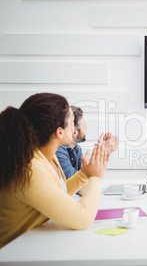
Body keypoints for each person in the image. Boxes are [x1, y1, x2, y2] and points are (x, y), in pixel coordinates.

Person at [0, 93, 108, 248]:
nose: (76, 126)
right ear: (60, 132)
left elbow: (56, 192)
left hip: (27, 244)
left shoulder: (45, 155)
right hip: (10, 253)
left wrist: (84, 174)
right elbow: (82, 219)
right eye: (72, 121)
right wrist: (96, 178)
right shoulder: (30, 168)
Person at [56, 106, 118, 195]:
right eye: (84, 125)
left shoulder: (76, 149)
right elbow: (80, 189)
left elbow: (87, 182)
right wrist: (102, 151)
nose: (86, 127)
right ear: (74, 132)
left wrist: (101, 151)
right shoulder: (58, 151)